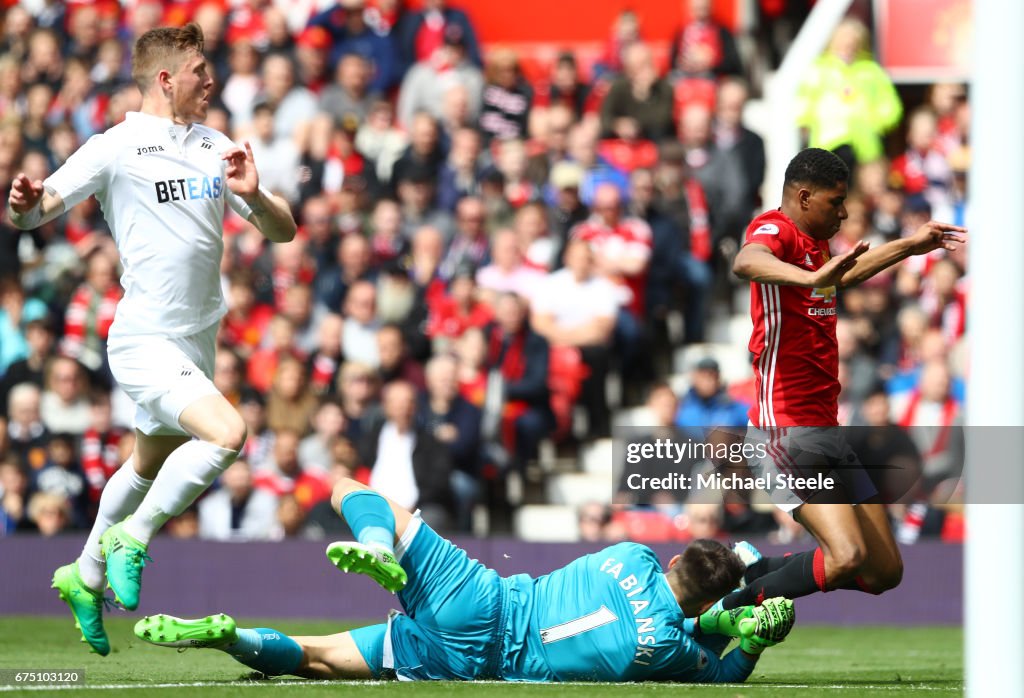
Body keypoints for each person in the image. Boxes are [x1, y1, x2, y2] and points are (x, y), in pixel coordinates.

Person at [6, 23, 296, 656]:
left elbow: (284, 230)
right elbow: (40, 206)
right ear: (167, 80)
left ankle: (82, 574)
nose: (211, 81)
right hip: (143, 340)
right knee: (227, 435)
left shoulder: (217, 145)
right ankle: (131, 538)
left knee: (147, 463)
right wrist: (24, 202)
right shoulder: (115, 147)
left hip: (198, 340)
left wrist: (255, 197)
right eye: (200, 71)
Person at [135, 477, 795, 683]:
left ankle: (375, 542)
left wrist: (719, 610)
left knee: (350, 490)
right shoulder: (668, 649)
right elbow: (716, 674)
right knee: (318, 659)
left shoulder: (631, 555)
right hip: (475, 663)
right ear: (708, 599)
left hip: (483, 601)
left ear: (675, 559)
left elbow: (678, 604)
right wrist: (753, 633)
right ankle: (232, 640)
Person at [727, 147, 965, 608]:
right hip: (784, 430)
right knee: (847, 555)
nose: (844, 211)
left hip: (828, 431)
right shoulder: (775, 229)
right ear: (803, 196)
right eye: (835, 202)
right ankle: (726, 608)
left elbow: (842, 275)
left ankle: (754, 571)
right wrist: (809, 278)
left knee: (883, 571)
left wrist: (911, 245)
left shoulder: (816, 248)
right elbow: (746, 262)